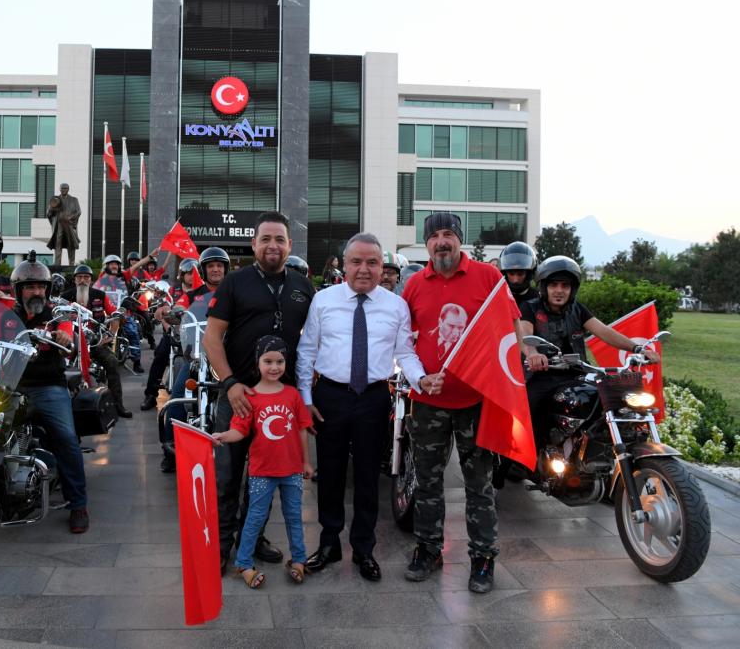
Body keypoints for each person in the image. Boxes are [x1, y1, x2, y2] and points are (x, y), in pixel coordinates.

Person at [296, 232, 432, 582]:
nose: (364, 269)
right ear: (344, 264)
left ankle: (363, 548)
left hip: (373, 397)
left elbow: (405, 353)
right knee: (330, 473)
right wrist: (305, 400)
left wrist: (421, 379)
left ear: (382, 267)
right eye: (356, 261)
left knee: (369, 475)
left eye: (372, 262)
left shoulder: (395, 306)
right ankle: (329, 543)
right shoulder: (324, 301)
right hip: (330, 396)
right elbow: (307, 352)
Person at [401, 212, 521, 594]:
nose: (441, 241)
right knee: (427, 482)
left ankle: (483, 557)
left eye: (448, 234)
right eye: (434, 235)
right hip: (428, 402)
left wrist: (511, 369)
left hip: (475, 403)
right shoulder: (414, 285)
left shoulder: (488, 277)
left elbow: (510, 328)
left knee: (479, 485)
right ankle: (428, 549)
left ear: (459, 239)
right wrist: (419, 376)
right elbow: (404, 341)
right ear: (426, 243)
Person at [203, 211, 315, 574]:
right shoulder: (234, 283)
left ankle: (252, 539)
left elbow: (314, 342)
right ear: (254, 244)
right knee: (227, 476)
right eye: (265, 239)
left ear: (289, 245)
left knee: (265, 477)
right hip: (237, 395)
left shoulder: (303, 287)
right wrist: (230, 383)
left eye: (279, 239)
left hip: (279, 402)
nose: (272, 246)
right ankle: (221, 545)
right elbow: (211, 338)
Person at [520, 255, 660, 453]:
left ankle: (592, 449)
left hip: (576, 374)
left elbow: (604, 331)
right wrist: (532, 353)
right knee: (527, 412)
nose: (559, 290)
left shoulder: (577, 309)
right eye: (553, 285)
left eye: (565, 285)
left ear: (572, 289)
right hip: (541, 374)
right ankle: (526, 457)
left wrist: (637, 349)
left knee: (605, 400)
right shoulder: (530, 307)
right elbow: (524, 335)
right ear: (544, 287)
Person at [213, 335, 313, 589]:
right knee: (254, 518)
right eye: (268, 361)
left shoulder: (292, 395)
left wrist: (306, 462)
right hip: (262, 472)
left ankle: (299, 560)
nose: (274, 367)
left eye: (280, 361)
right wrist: (223, 436)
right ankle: (244, 563)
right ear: (257, 363)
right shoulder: (251, 397)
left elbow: (302, 429)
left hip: (292, 470)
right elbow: (239, 431)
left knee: (294, 517)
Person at [9, 254, 90, 533]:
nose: (37, 292)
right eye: (30, 287)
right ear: (18, 291)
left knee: (66, 438)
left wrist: (65, 337)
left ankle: (78, 504)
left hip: (48, 386)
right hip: (12, 386)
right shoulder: (8, 316)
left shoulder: (56, 314)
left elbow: (68, 333)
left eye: (41, 287)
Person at [158, 247, 230, 472]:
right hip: (198, 355)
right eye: (211, 266)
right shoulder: (193, 295)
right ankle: (170, 451)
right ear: (204, 270)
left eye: (219, 265)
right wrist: (174, 311)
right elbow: (179, 306)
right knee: (178, 395)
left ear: (225, 269)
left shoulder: (233, 292)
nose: (216, 269)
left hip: (227, 356)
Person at [61, 264, 133, 419]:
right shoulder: (65, 297)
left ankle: (118, 405)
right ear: (74, 280)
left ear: (91, 280)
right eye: (79, 277)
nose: (82, 280)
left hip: (95, 342)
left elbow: (115, 314)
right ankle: (61, 406)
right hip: (72, 341)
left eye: (86, 277)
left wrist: (110, 335)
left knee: (112, 362)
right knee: (59, 367)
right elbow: (56, 316)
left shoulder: (100, 295)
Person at [140, 259, 198, 411]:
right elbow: (162, 310)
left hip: (196, 335)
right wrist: (168, 327)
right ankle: (151, 395)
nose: (192, 276)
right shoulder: (172, 291)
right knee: (160, 355)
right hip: (174, 332)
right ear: (182, 275)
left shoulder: (202, 291)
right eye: (189, 273)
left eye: (195, 273)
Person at [93, 254, 144, 374]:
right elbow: (95, 292)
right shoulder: (101, 279)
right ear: (106, 266)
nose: (114, 266)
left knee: (132, 331)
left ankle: (137, 361)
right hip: (107, 312)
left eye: (116, 264)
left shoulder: (123, 276)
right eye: (112, 264)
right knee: (95, 331)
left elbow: (135, 266)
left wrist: (150, 257)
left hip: (122, 311)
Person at [45, 183, 81, 266]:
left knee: (71, 244)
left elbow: (78, 211)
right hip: (59, 225)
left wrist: (70, 217)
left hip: (69, 225)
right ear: (59, 189)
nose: (64, 190)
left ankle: (71, 264)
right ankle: (57, 264)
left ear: (68, 189)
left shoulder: (74, 200)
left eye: (65, 188)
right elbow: (48, 213)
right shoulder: (55, 199)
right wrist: (53, 209)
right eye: (62, 188)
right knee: (58, 243)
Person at [499, 241, 539, 308]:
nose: (515, 280)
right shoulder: (497, 297)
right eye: (511, 274)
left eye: (520, 274)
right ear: (504, 273)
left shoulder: (539, 299)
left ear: (529, 274)